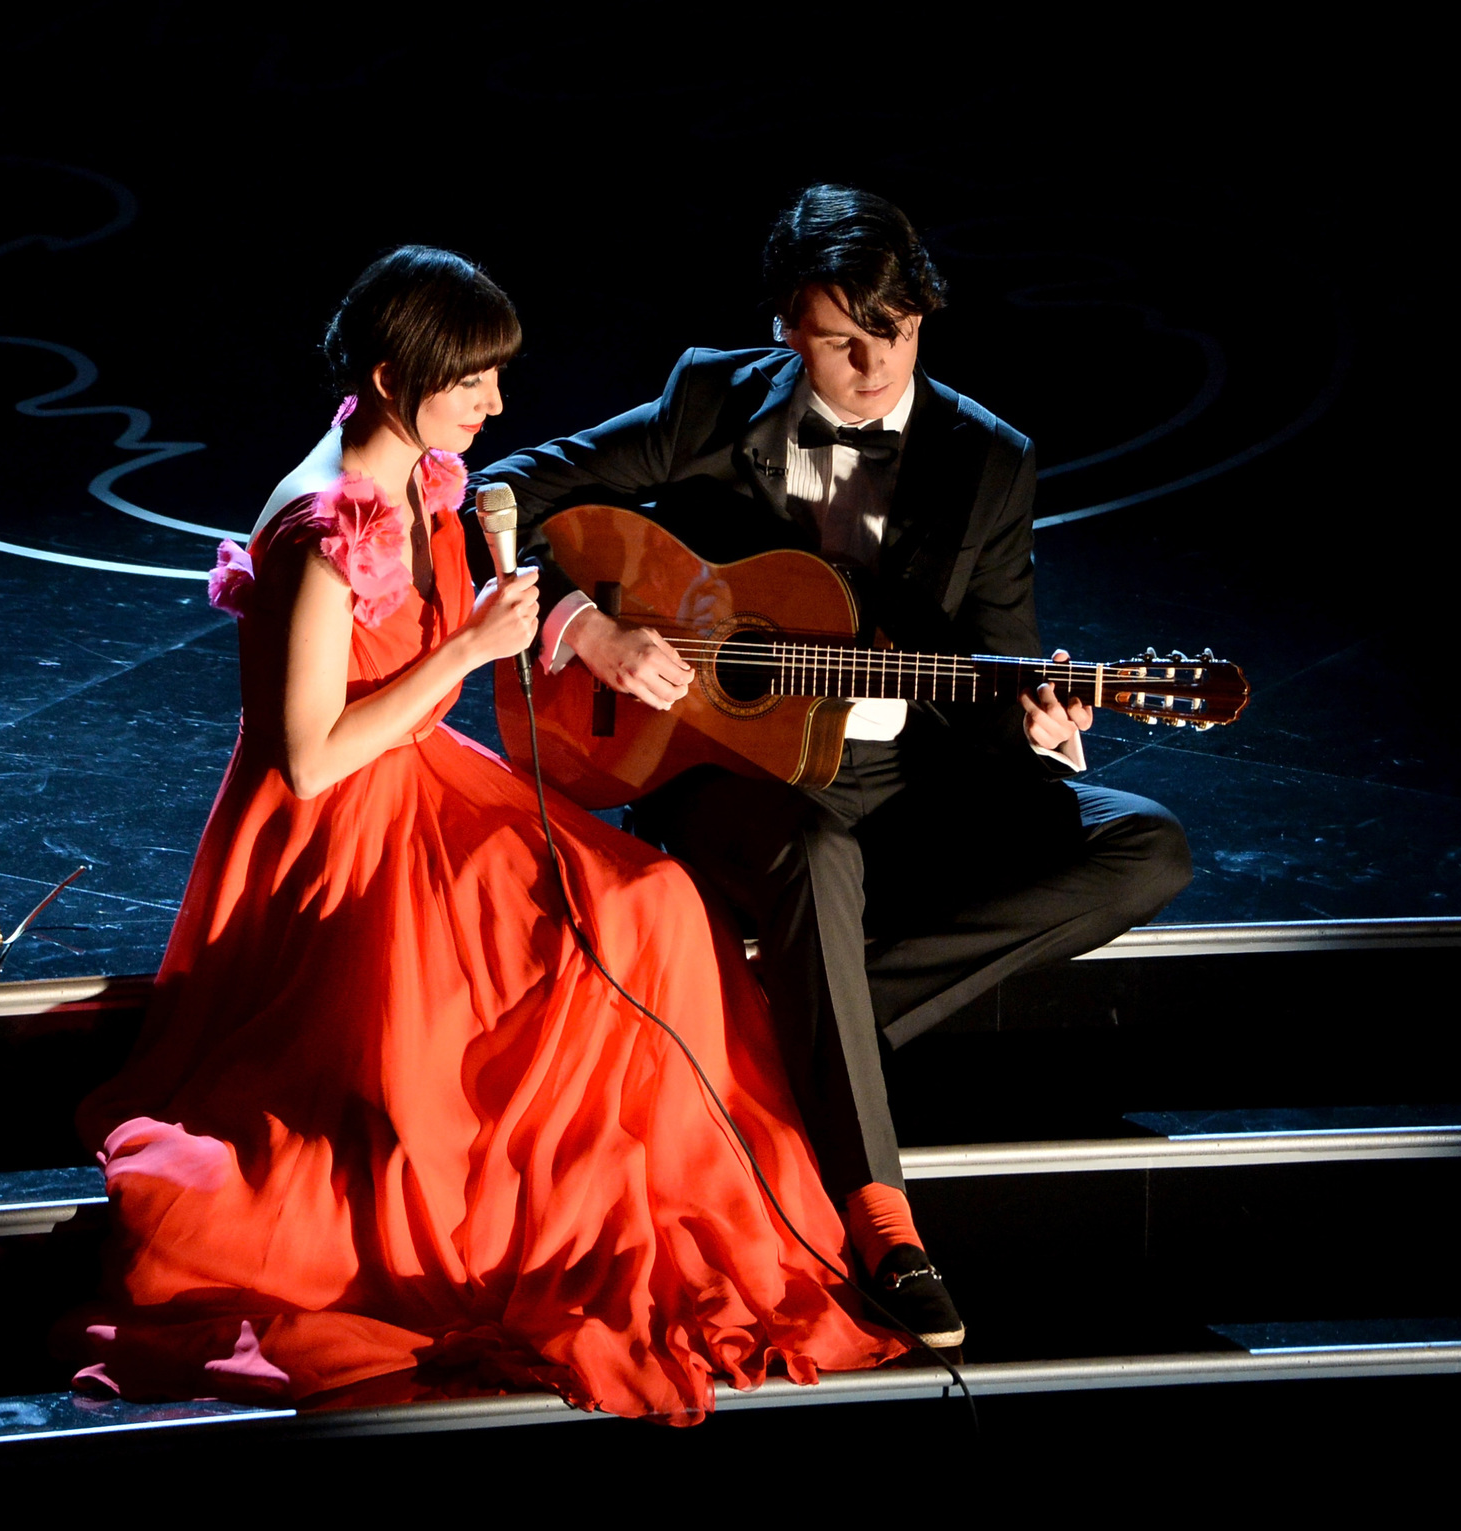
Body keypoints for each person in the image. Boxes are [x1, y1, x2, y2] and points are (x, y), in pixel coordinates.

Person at [63, 246, 902, 1423]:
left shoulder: (425, 473)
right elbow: (307, 758)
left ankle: (663, 1179)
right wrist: (465, 653)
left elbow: (487, 588)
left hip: (422, 780)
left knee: (653, 898)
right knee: (572, 942)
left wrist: (566, 628)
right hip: (336, 831)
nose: (496, 406)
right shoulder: (322, 532)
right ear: (393, 376)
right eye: (473, 385)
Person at [472, 187, 1195, 1346]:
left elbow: (987, 662)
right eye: (834, 339)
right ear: (781, 330)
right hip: (726, 768)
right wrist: (586, 629)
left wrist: (1037, 722)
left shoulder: (985, 459)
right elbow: (498, 497)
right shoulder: (709, 395)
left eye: (892, 333)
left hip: (907, 778)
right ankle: (881, 1221)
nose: (867, 363)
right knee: (810, 851)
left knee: (1142, 843)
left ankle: (765, 1035)